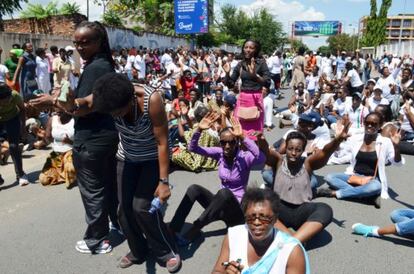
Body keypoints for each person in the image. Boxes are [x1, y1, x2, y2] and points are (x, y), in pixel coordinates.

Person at [29, 21, 120, 255]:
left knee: (93, 190)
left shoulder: (95, 69)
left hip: (91, 139)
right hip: (106, 136)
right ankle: (117, 225)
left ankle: (97, 240)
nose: (80, 47)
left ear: (99, 42)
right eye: (77, 43)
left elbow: (83, 108)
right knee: (107, 185)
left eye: (85, 42)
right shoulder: (104, 64)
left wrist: (53, 101)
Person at [83, 73, 181, 272]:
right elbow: (84, 103)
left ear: (130, 100)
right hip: (127, 157)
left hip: (152, 159)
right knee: (123, 211)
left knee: (142, 207)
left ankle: (166, 250)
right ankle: (138, 250)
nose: (114, 116)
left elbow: (163, 142)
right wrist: (69, 104)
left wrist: (163, 181)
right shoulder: (107, 95)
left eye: (117, 112)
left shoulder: (151, 100)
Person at [169, 114, 265, 243]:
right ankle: (173, 229)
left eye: (231, 142)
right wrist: (199, 130)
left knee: (225, 193)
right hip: (221, 206)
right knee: (194, 189)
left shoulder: (244, 157)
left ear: (236, 142)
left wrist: (243, 136)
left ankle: (195, 228)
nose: (227, 146)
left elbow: (260, 157)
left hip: (237, 211)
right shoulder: (219, 153)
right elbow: (193, 148)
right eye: (223, 142)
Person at [257, 122, 351, 243]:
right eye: (290, 149)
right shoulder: (279, 160)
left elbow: (325, 152)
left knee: (325, 210)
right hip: (279, 210)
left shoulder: (308, 163)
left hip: (302, 211)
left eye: (298, 149)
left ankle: (293, 241)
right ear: (286, 148)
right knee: (256, 200)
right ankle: (294, 239)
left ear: (303, 150)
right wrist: (261, 140)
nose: (294, 153)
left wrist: (337, 140)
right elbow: (266, 151)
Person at [212, 188, 309, 274]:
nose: (257, 222)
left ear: (275, 219)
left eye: (264, 218)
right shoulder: (233, 236)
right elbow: (217, 271)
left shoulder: (291, 251)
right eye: (251, 217)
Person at [320, 112, 404, 208]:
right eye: (367, 122)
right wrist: (338, 139)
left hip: (372, 179)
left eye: (373, 124)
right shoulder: (356, 139)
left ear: (380, 125)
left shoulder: (385, 142)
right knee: (329, 177)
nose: (369, 125)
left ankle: (335, 193)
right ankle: (366, 196)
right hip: (354, 175)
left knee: (375, 187)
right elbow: (340, 153)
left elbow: (397, 163)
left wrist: (396, 147)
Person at [223, 39, 271, 139]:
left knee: (255, 135)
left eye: (251, 48)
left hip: (256, 100)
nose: (248, 50)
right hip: (242, 100)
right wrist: (227, 73)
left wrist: (255, 76)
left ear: (256, 50)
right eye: (246, 47)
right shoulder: (240, 64)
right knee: (239, 132)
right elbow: (230, 84)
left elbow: (267, 82)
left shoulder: (261, 63)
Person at [0, 83, 29, 186]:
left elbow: (22, 109)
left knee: (14, 146)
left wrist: (23, 128)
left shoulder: (14, 95)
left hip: (13, 118)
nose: (7, 101)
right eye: (4, 100)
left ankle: (20, 174)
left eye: (8, 98)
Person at [39, 110, 75, 188]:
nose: (56, 110)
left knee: (70, 169)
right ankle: (61, 175)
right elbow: (47, 137)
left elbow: (83, 141)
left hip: (71, 150)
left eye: (59, 107)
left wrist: (70, 141)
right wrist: (44, 137)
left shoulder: (75, 118)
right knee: (44, 179)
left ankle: (70, 174)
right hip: (56, 152)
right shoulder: (52, 119)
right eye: (54, 108)